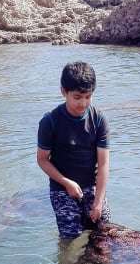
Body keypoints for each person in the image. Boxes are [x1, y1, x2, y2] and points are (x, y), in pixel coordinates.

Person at [37, 61, 110, 240]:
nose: (83, 103)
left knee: (105, 236)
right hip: (61, 189)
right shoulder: (50, 121)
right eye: (77, 97)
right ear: (64, 92)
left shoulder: (99, 119)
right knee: (71, 240)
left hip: (92, 187)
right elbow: (42, 160)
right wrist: (66, 183)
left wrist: (98, 202)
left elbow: (103, 164)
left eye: (88, 96)